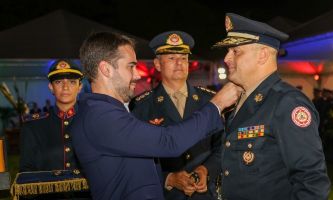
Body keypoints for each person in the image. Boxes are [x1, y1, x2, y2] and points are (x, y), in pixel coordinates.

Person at [72, 31, 242, 200]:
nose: (138, 75)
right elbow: (169, 141)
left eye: (183, 58)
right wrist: (217, 104)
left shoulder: (103, 112)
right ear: (106, 69)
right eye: (131, 66)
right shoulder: (101, 117)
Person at [212, 13, 330, 199]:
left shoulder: (287, 103)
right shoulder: (239, 100)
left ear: (263, 55)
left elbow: (311, 181)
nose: (226, 58)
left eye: (236, 51)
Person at [131, 31, 221, 200]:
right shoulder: (141, 106)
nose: (179, 63)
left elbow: (222, 146)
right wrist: (168, 178)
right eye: (172, 58)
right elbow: (136, 158)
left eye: (183, 58)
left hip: (204, 194)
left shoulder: (210, 101)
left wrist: (205, 170)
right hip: (165, 195)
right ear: (157, 64)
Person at [19, 59, 90, 199]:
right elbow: (26, 174)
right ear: (51, 87)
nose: (65, 87)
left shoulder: (93, 121)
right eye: (58, 82)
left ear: (80, 87)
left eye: (71, 82)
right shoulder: (33, 126)